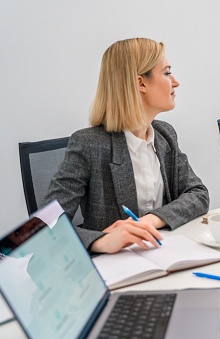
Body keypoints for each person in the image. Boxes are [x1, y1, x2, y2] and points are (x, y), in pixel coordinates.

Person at [43, 38, 209, 254]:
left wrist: (149, 222)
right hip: (112, 267)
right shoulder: (88, 144)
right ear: (141, 83)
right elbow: (46, 225)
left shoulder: (164, 135)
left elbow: (198, 194)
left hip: (163, 253)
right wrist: (102, 241)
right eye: (167, 73)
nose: (175, 82)